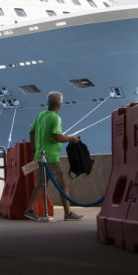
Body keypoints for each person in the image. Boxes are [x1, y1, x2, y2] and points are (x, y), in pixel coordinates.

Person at [24, 91, 84, 222]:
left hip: (39, 155)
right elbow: (57, 137)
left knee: (41, 184)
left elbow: (32, 132)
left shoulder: (41, 115)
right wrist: (71, 139)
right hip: (51, 157)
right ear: (59, 105)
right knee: (63, 184)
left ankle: (29, 210)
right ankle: (68, 213)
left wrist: (34, 150)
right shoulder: (56, 118)